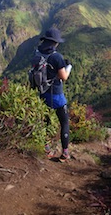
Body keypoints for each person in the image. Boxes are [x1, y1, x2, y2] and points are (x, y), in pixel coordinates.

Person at [35, 27, 72, 162]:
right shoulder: (56, 57)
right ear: (55, 42)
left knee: (45, 122)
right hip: (56, 94)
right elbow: (63, 77)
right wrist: (69, 67)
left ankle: (47, 149)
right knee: (64, 122)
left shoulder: (37, 53)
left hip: (42, 92)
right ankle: (65, 153)